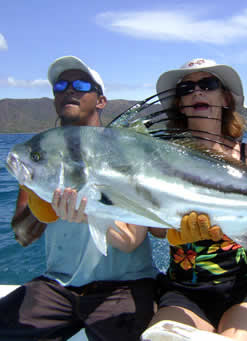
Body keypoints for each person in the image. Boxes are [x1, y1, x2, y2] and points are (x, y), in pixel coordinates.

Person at [147, 58, 247, 341]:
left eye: (208, 84)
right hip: (186, 288)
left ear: (224, 99)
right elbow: (156, 229)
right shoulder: (161, 155)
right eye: (187, 88)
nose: (197, 92)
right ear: (180, 104)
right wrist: (175, 232)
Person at [0, 56, 158, 341]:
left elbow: (131, 239)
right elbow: (22, 235)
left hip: (124, 285)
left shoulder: (128, 149)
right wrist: (42, 203)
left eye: (81, 84)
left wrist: (91, 212)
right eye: (60, 85)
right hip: (58, 286)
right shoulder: (41, 157)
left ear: (101, 100)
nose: (68, 90)